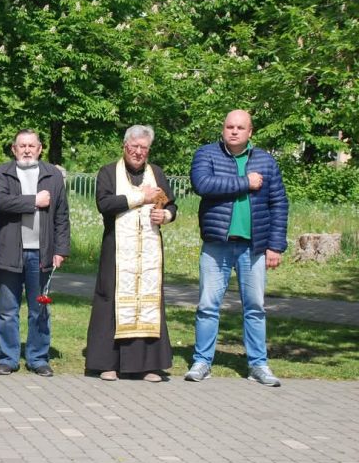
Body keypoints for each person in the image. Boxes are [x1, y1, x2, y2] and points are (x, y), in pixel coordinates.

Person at [185, 110, 288, 386]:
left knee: (255, 307)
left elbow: (279, 203)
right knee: (208, 306)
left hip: (253, 248)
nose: (234, 131)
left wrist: (276, 245)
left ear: (250, 132)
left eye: (240, 127)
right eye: (229, 126)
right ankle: (202, 361)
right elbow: (202, 184)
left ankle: (258, 365)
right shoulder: (207, 154)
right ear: (223, 129)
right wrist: (246, 182)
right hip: (216, 245)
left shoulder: (266, 161)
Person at [85, 125, 177, 382]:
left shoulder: (156, 173)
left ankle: (147, 365)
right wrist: (140, 197)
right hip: (116, 249)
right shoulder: (108, 172)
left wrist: (166, 215)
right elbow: (105, 204)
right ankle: (107, 363)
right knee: (110, 301)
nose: (138, 152)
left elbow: (171, 205)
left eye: (143, 148)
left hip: (148, 251)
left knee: (148, 302)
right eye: (134, 147)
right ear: (125, 147)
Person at [0, 129, 70, 377]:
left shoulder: (52, 175)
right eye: (22, 146)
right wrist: (34, 200)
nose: (27, 150)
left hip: (42, 253)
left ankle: (38, 358)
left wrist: (61, 249)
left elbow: (61, 215)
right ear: (14, 149)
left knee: (39, 309)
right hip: (11, 251)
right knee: (7, 309)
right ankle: (7, 358)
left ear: (40, 148)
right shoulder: (3, 173)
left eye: (31, 146)